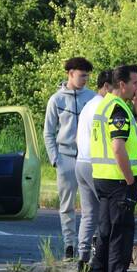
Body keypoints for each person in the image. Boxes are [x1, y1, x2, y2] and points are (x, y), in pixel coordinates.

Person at [89, 64, 137, 272]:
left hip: (103, 178)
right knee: (120, 235)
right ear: (121, 84)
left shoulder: (103, 104)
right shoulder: (117, 109)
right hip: (118, 180)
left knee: (105, 232)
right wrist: (130, 179)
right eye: (134, 83)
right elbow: (118, 147)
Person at [43, 57, 96, 260]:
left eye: (87, 76)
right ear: (70, 73)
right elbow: (48, 132)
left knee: (91, 205)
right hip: (65, 157)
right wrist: (54, 158)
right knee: (67, 205)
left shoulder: (92, 98)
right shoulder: (56, 100)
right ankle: (69, 246)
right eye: (82, 75)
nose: (85, 79)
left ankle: (88, 245)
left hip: (87, 158)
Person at [74, 69, 113, 272]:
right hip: (95, 164)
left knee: (88, 214)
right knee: (106, 214)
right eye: (114, 88)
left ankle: (82, 259)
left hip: (81, 161)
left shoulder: (88, 104)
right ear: (106, 87)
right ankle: (100, 260)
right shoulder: (105, 106)